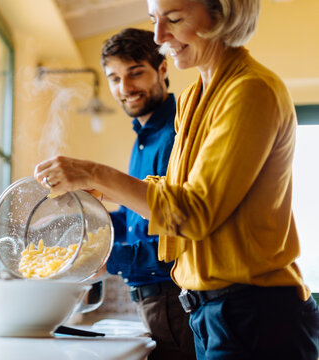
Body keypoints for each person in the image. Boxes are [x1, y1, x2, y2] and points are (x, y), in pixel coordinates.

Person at [34, 0, 319, 359]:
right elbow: (174, 193)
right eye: (154, 20)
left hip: (255, 314)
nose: (159, 35)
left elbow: (193, 213)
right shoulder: (192, 99)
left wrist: (96, 173)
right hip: (210, 312)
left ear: (223, 16)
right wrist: (103, 191)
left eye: (174, 19)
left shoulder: (250, 90)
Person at [100, 28, 195, 359]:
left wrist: (104, 256)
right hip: (155, 299)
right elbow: (136, 218)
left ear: (163, 69)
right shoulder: (142, 137)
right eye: (114, 78)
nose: (124, 88)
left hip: (173, 297)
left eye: (135, 72)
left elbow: (177, 227)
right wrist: (87, 223)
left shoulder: (176, 133)